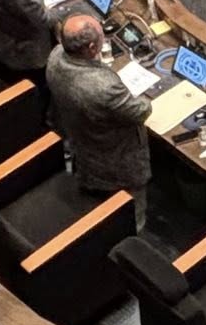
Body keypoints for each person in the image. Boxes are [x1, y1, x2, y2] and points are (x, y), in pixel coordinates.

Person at [47, 13, 153, 220]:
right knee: (133, 209)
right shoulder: (104, 88)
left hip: (82, 144)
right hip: (115, 159)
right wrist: (147, 99)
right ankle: (131, 243)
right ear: (92, 49)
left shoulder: (55, 56)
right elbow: (140, 111)